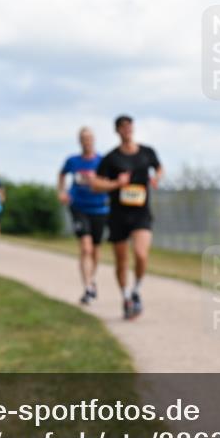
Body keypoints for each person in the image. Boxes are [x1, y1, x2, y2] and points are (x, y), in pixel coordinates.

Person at [93, 116, 162, 319]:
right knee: (121, 260)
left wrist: (157, 177)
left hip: (141, 213)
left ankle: (137, 290)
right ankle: (125, 296)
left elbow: (159, 168)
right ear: (117, 131)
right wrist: (116, 184)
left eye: (129, 127)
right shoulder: (111, 158)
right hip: (118, 215)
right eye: (123, 128)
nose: (127, 130)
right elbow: (96, 184)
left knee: (141, 254)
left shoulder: (147, 152)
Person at [59, 127, 110, 305]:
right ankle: (88, 287)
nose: (86, 142)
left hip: (99, 208)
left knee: (95, 249)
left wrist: (97, 183)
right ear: (79, 141)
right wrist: (62, 191)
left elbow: (110, 181)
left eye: (89, 138)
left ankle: (91, 279)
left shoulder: (102, 161)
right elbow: (62, 174)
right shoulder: (72, 161)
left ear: (93, 140)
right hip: (78, 207)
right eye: (83, 139)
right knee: (85, 248)